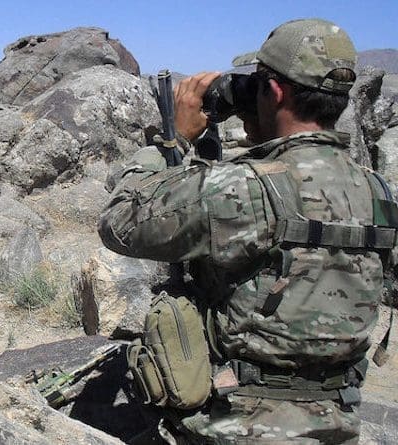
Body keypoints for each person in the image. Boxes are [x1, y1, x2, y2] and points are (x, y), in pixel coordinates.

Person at [99, 18, 396, 444]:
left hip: (236, 425)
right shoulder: (380, 193)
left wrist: (173, 142)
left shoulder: (243, 187)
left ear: (275, 91)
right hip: (337, 424)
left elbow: (120, 223)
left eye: (256, 83)